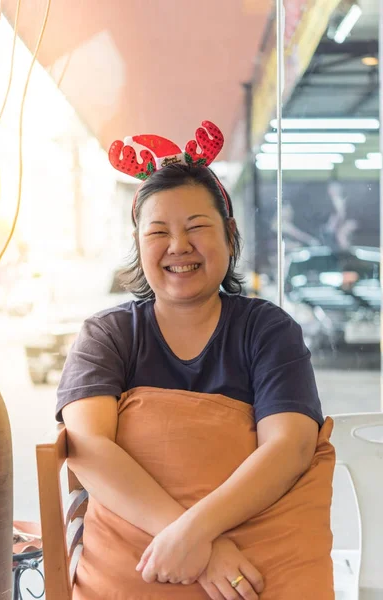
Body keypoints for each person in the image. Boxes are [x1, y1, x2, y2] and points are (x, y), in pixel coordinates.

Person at [56, 122, 329, 600]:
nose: (178, 246)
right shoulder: (108, 334)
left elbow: (289, 447)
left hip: (262, 569)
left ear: (229, 234)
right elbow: (88, 447)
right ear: (139, 246)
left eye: (197, 227)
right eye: (158, 231)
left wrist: (191, 534)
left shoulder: (270, 331)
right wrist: (199, 544)